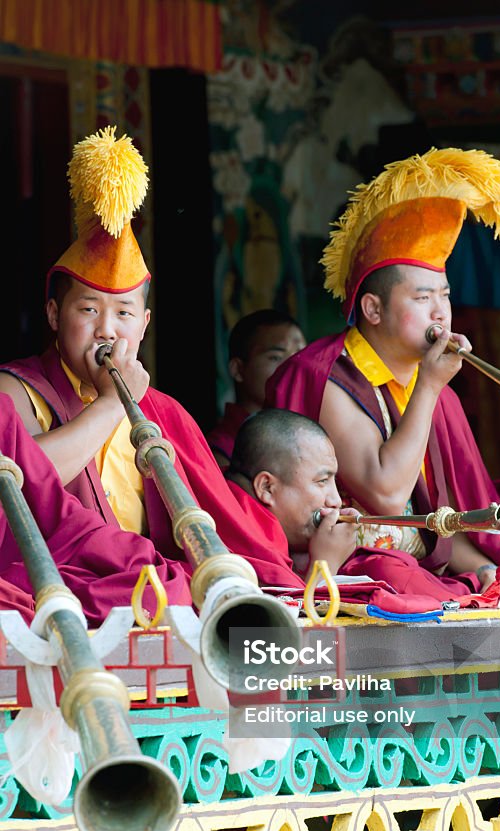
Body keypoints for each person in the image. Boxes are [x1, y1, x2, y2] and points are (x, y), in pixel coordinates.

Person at [266, 147, 500, 597]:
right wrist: (428, 385)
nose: (440, 312)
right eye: (422, 298)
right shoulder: (329, 375)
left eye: (443, 295)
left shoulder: (433, 385)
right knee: (415, 587)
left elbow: (444, 519)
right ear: (372, 308)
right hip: (355, 562)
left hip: (423, 562)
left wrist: (485, 567)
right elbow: (386, 495)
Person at [0, 127, 302, 591]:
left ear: (143, 325)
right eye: (87, 309)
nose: (106, 328)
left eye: (122, 313)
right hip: (53, 588)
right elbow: (18, 487)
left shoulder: (162, 411)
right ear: (54, 315)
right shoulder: (16, 390)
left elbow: (226, 523)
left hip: (144, 586)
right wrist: (107, 405)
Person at [228, 409, 500, 606]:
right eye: (322, 481)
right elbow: (277, 643)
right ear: (267, 487)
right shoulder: (234, 532)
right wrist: (325, 565)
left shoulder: (274, 528)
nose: (336, 500)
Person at [0, 393, 190, 624]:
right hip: (17, 578)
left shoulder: (161, 406)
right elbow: (29, 484)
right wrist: (112, 403)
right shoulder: (19, 387)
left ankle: (245, 648)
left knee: (166, 586)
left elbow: (62, 515)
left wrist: (132, 555)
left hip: (87, 563)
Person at [207, 309, 306, 468]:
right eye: (276, 358)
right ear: (238, 369)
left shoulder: (309, 435)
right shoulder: (220, 453)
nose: (292, 368)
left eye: (300, 356)